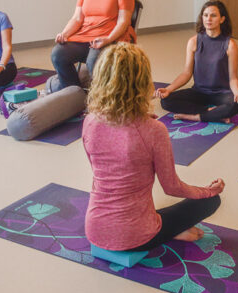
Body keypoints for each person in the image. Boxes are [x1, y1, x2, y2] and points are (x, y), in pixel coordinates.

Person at [83, 43, 224, 252]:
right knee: (211, 201)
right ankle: (170, 231)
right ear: (142, 82)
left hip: (95, 230)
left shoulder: (90, 121)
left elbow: (101, 168)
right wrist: (207, 191)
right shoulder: (154, 129)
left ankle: (168, 228)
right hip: (137, 237)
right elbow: (172, 187)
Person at [155, 0, 238, 123]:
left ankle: (195, 117)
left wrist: (237, 93)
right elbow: (186, 73)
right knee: (166, 101)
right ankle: (211, 113)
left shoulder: (230, 44)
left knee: (236, 105)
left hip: (222, 94)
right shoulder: (193, 41)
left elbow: (233, 78)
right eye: (205, 15)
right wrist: (168, 89)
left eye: (213, 15)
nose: (208, 19)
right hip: (199, 91)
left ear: (222, 19)